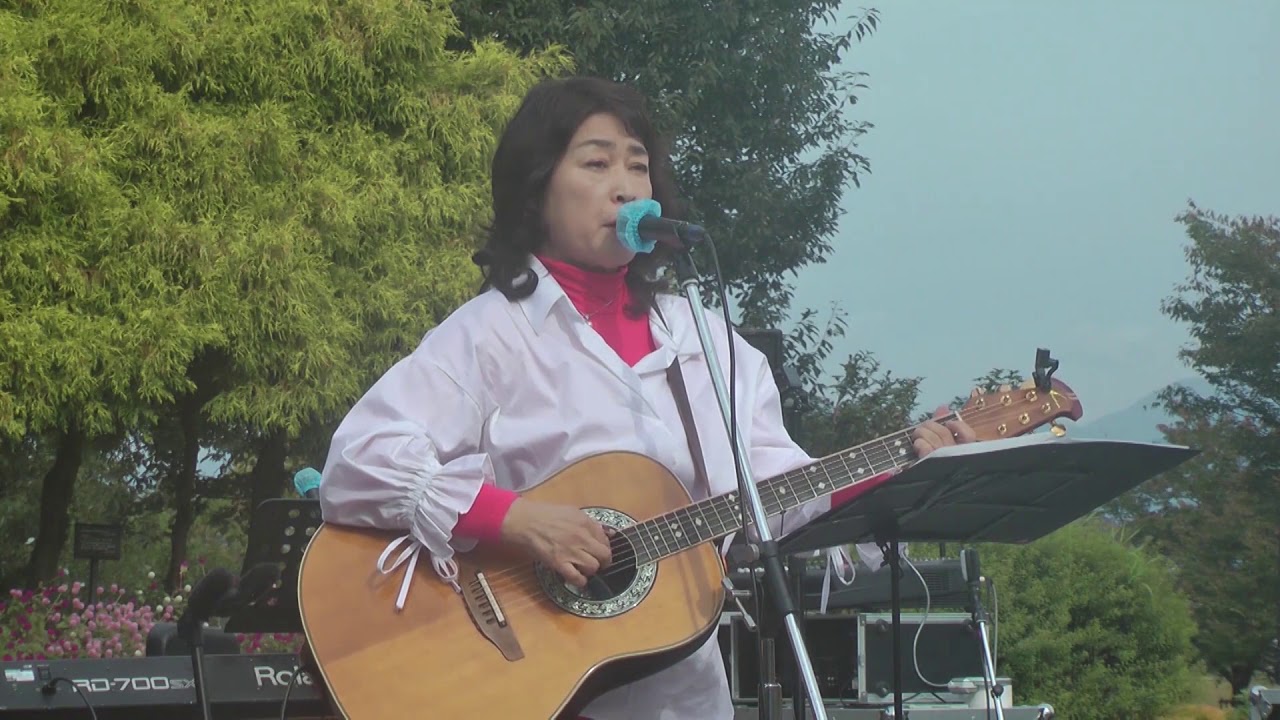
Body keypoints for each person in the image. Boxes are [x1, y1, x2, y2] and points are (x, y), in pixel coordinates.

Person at [317, 75, 977, 720]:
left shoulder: (705, 341)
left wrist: (899, 464)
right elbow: (360, 458)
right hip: (524, 682)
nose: (627, 186)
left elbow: (772, 494)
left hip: (684, 695)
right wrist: (516, 520)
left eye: (638, 165)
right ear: (536, 190)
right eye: (597, 163)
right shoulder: (488, 334)